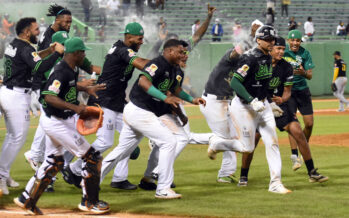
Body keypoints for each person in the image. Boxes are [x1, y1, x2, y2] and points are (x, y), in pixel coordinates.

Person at [13, 37, 110, 215]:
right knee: (92, 158)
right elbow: (49, 96)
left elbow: (68, 87)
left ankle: (27, 198)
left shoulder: (70, 69)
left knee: (54, 162)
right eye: (82, 52)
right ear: (74, 53)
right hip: (56, 122)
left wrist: (85, 89)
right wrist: (76, 108)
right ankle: (89, 202)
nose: (84, 54)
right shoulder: (61, 71)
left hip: (58, 120)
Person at [100, 39, 205, 199]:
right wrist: (164, 98)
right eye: (180, 51)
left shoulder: (175, 70)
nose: (183, 55)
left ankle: (92, 179)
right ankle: (163, 188)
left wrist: (192, 100)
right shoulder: (158, 64)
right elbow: (143, 81)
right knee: (169, 141)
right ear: (169, 51)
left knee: (122, 150)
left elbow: (175, 90)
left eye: (184, 52)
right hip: (139, 111)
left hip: (140, 112)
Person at [207, 25, 291, 194]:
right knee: (247, 148)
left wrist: (269, 102)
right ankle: (217, 143)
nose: (271, 42)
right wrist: (253, 101)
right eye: (267, 39)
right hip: (244, 107)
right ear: (258, 40)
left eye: (272, 39)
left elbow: (264, 83)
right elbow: (235, 82)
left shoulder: (267, 57)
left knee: (272, 142)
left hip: (262, 105)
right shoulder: (249, 57)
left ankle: (275, 183)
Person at [66, 22, 149, 190]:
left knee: (130, 137)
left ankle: (119, 178)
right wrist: (161, 64)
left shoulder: (122, 49)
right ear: (129, 37)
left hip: (116, 101)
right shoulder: (122, 50)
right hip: (104, 99)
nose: (141, 41)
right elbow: (139, 63)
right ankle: (74, 169)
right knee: (105, 141)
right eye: (139, 38)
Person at [237, 37, 328, 187]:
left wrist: (282, 100)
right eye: (278, 48)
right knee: (253, 141)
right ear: (270, 49)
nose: (281, 51)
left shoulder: (286, 67)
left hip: (279, 106)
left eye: (282, 49)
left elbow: (287, 91)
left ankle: (312, 172)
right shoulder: (261, 64)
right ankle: (243, 176)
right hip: (261, 105)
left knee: (298, 131)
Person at [0, 17, 64, 195]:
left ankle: (3, 174)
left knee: (12, 137)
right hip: (17, 96)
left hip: (8, 92)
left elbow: (32, 58)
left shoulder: (14, 43)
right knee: (16, 138)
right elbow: (40, 68)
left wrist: (49, 50)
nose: (38, 32)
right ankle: (0, 177)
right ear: (27, 32)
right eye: (36, 29)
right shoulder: (26, 48)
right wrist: (57, 53)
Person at [200, 20, 263, 185]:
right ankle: (221, 164)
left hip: (223, 102)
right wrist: (247, 41)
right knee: (224, 138)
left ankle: (225, 172)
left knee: (231, 137)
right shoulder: (231, 56)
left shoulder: (246, 65)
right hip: (213, 101)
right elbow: (236, 52)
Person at [283, 29, 315, 170]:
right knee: (293, 123)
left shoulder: (305, 53)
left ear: (300, 41)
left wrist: (303, 73)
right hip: (288, 91)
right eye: (293, 40)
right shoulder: (282, 52)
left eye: (297, 40)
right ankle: (295, 156)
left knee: (309, 124)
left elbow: (309, 76)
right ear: (288, 40)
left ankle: (304, 147)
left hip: (302, 90)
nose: (295, 42)